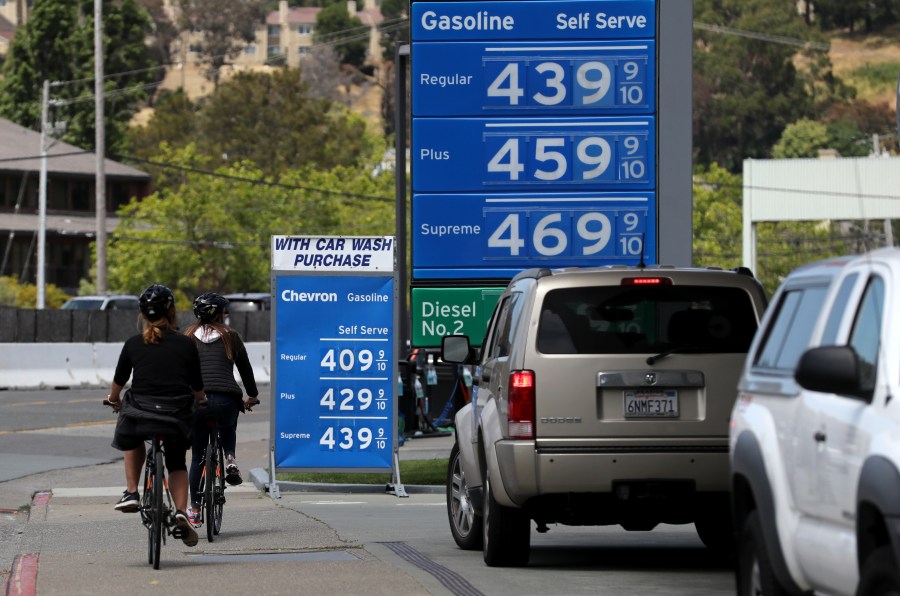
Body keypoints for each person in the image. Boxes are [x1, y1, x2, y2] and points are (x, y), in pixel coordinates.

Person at [106, 284, 206, 548]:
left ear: (142, 314)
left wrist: (113, 399)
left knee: (132, 435)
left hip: (142, 413)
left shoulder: (133, 344)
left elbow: (119, 381)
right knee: (177, 463)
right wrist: (202, 399)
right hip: (176, 415)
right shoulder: (186, 344)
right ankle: (182, 512)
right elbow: (197, 385)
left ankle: (131, 492)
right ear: (172, 311)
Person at [185, 292, 259, 525]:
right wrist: (252, 396)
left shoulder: (186, 337)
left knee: (198, 455)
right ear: (218, 313)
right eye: (224, 311)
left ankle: (195, 510)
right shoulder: (231, 336)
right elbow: (245, 369)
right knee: (228, 426)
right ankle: (230, 459)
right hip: (227, 398)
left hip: (197, 402)